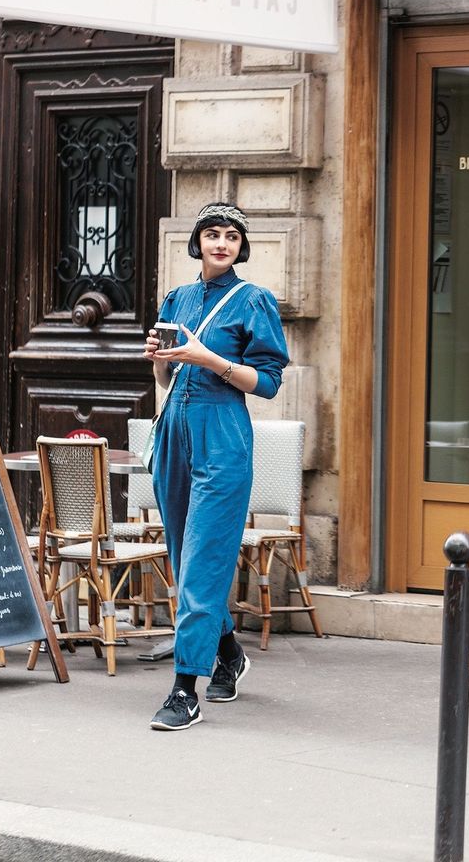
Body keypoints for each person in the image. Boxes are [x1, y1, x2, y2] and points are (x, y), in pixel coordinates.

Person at [143, 202, 289, 731]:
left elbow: (269, 383)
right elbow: (165, 381)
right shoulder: (177, 298)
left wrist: (213, 361)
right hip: (175, 434)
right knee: (186, 562)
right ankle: (229, 651)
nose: (221, 244)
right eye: (212, 234)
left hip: (223, 436)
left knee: (203, 562)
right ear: (197, 242)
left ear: (241, 246)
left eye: (231, 236)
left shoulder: (254, 301)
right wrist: (159, 359)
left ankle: (185, 689)